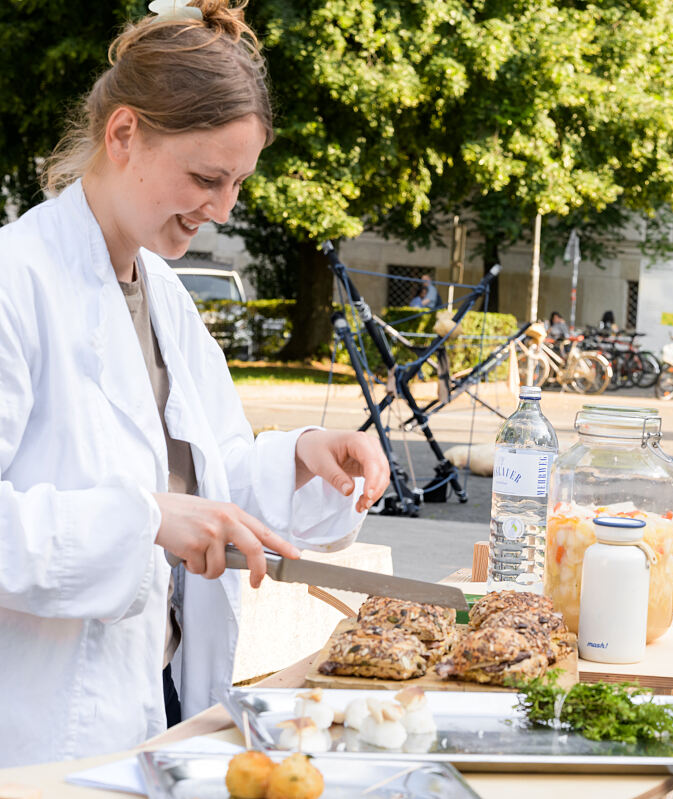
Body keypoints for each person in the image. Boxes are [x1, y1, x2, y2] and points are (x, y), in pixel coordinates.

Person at [0, 0, 389, 767]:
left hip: (165, 702)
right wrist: (140, 521)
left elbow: (206, 478)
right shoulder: (15, 281)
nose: (221, 209)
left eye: (238, 182)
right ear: (124, 136)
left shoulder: (162, 294)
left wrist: (304, 456)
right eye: (206, 177)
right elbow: (153, 507)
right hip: (40, 729)